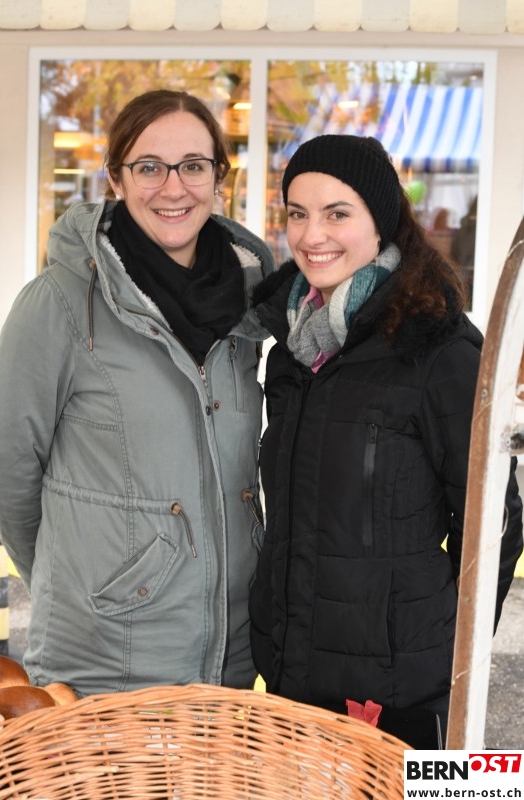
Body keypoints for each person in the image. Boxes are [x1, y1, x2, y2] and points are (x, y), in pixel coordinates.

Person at [0, 90, 273, 697]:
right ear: (116, 179)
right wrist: (90, 585)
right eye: (149, 167)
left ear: (218, 178)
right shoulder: (58, 303)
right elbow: (8, 472)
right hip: (100, 661)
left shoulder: (250, 304)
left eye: (193, 165)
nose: (173, 188)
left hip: (230, 654)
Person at [248, 135, 523, 749]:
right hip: (294, 677)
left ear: (381, 222)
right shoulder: (292, 351)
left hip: (403, 693)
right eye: (298, 213)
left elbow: (494, 523)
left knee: (430, 792)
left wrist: (446, 645)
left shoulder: (438, 348)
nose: (312, 235)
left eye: (337, 213)